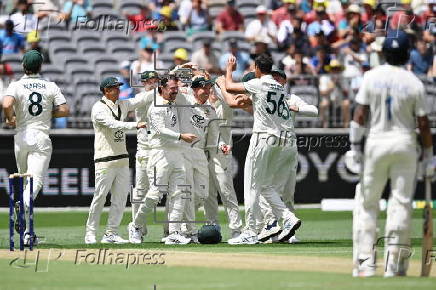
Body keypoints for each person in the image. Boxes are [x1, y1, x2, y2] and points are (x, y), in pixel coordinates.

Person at [345, 30, 434, 277]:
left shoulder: (371, 77)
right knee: (401, 204)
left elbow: (360, 115)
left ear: (383, 53)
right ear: (408, 54)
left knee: (367, 203)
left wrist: (354, 147)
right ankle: (394, 265)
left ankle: (365, 263)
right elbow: (424, 125)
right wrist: (429, 155)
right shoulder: (414, 82)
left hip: (377, 143)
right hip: (405, 144)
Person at [224, 53, 302, 245]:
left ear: (258, 68)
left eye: (253, 68)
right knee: (266, 186)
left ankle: (250, 231)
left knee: (252, 186)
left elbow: (228, 87)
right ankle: (287, 218)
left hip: (263, 138)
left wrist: (228, 71)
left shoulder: (259, 83)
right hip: (281, 139)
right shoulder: (280, 87)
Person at [2, 50, 69, 246]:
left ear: (23, 66)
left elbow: (6, 103)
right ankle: (21, 207)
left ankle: (26, 232)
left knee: (24, 183)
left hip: (21, 137)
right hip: (40, 137)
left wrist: (10, 118)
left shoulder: (16, 84)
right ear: (40, 67)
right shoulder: (50, 85)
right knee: (34, 183)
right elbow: (65, 109)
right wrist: (48, 113)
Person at [129, 75, 197, 245]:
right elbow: (159, 130)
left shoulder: (172, 103)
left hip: (176, 154)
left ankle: (173, 232)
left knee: (179, 193)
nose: (175, 91)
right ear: (162, 89)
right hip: (160, 154)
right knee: (154, 195)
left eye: (176, 87)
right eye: (172, 88)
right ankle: (136, 226)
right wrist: (181, 136)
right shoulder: (155, 107)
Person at [257, 69, 318, 243]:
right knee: (269, 187)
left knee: (288, 190)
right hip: (274, 144)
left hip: (288, 145)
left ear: (284, 81)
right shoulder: (266, 96)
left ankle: (289, 231)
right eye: (273, 77)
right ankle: (271, 227)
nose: (275, 81)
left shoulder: (291, 98)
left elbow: (314, 110)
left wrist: (296, 108)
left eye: (278, 78)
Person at [84, 77, 148, 244]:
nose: (118, 90)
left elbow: (140, 99)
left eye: (118, 87)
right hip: (105, 160)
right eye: (114, 88)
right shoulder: (98, 108)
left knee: (120, 199)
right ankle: (90, 233)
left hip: (122, 159)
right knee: (100, 197)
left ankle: (111, 233)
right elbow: (112, 124)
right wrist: (135, 125)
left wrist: (164, 85)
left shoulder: (122, 104)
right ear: (106, 91)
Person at [128, 70, 159, 242]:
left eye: (156, 80)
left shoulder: (162, 97)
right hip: (144, 150)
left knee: (159, 191)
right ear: (144, 83)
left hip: (161, 149)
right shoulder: (142, 97)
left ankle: (170, 230)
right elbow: (144, 98)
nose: (153, 83)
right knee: (140, 191)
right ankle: (137, 227)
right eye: (150, 81)